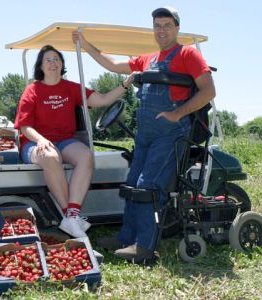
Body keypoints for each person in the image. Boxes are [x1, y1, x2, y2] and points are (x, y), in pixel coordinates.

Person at [73, 6, 216, 263]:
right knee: (131, 186)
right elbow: (113, 64)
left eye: (167, 25)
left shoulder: (188, 54)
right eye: (157, 26)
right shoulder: (148, 59)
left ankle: (145, 247)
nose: (161, 30)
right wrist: (85, 44)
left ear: (176, 28)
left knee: (148, 187)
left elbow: (208, 91)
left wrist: (178, 113)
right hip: (146, 134)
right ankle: (125, 238)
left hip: (170, 133)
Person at [14, 44, 134, 238]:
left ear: (62, 64)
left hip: (64, 140)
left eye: (57, 59)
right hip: (34, 143)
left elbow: (102, 100)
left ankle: (72, 214)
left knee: (87, 156)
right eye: (48, 60)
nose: (53, 63)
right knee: (51, 157)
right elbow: (24, 127)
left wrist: (126, 84)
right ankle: (67, 215)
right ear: (41, 66)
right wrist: (41, 140)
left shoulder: (71, 88)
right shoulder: (32, 90)